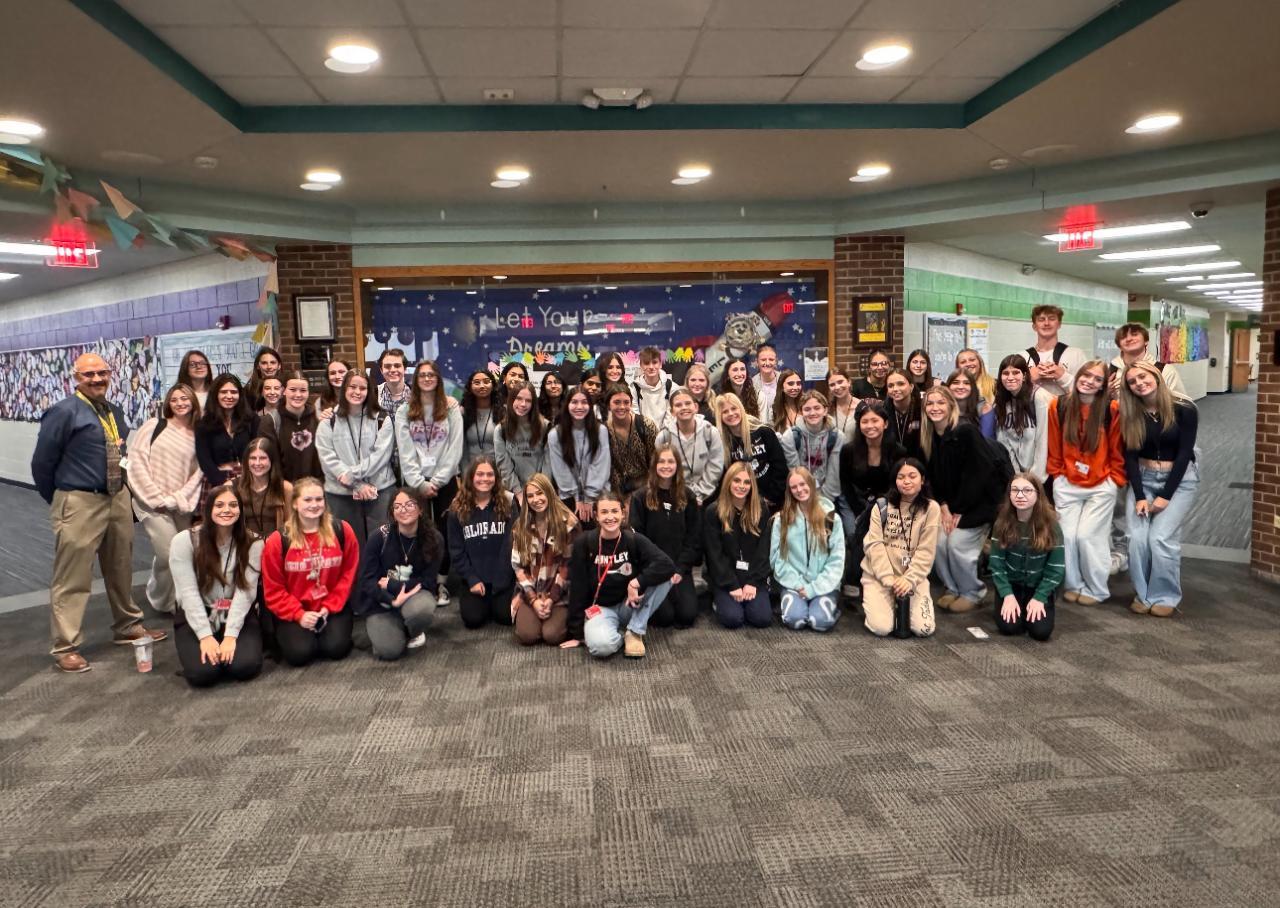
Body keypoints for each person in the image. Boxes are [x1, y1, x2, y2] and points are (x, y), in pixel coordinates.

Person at [32, 352, 166, 673]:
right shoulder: (64, 412)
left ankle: (127, 625)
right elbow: (42, 463)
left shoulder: (113, 410)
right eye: (88, 375)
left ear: (110, 375)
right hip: (80, 500)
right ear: (76, 378)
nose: (96, 379)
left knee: (120, 565)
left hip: (116, 497)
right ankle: (66, 646)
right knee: (73, 575)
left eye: (101, 373)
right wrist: (62, 498)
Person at [1119, 362, 1199, 617]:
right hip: (1143, 478)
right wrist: (1139, 495)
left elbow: (1185, 453)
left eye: (1143, 377)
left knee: (1160, 538)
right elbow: (1130, 456)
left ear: (1155, 376)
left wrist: (1165, 496)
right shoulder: (1131, 412)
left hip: (1178, 480)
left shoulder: (1185, 408)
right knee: (1136, 539)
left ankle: (1165, 595)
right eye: (1132, 381)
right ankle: (1143, 594)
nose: (1139, 383)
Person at [920, 386, 1007, 613]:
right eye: (930, 403)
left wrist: (959, 509)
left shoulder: (965, 431)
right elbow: (934, 479)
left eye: (941, 402)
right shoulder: (930, 436)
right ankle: (953, 588)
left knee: (957, 544)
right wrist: (944, 507)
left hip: (979, 505)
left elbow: (980, 475)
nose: (935, 408)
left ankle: (972, 592)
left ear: (951, 405)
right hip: (953, 506)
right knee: (938, 542)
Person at [1047, 359, 1126, 606]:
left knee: (1088, 537)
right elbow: (1053, 444)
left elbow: (1117, 449)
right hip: (1067, 483)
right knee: (1067, 537)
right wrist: (1057, 474)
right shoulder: (1058, 405)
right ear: (1078, 375)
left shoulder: (1111, 409)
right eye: (1086, 375)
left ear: (1103, 385)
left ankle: (1096, 589)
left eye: (1097, 379)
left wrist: (1115, 480)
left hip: (1100, 485)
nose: (1090, 381)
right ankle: (1074, 584)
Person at [169, 484, 264, 686]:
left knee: (245, 667)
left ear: (240, 510)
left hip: (237, 611)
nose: (226, 510)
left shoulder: (254, 542)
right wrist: (205, 636)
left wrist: (230, 636)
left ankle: (228, 648)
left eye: (233, 505)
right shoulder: (184, 541)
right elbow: (188, 593)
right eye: (219, 505)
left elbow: (246, 592)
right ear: (208, 509)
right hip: (198, 613)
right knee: (203, 674)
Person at [260, 477, 359, 667]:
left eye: (319, 499)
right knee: (300, 654)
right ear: (295, 504)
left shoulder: (342, 530)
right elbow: (273, 589)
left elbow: (349, 576)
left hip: (331, 607)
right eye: (307, 500)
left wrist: (328, 607)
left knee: (336, 649)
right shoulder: (278, 540)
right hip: (294, 610)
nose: (314, 505)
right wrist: (299, 615)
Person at [568, 492, 675, 658]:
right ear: (596, 516)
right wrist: (577, 633)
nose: (610, 517)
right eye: (604, 512)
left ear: (623, 513)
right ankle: (621, 635)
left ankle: (634, 630)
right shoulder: (584, 543)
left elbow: (667, 565)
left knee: (666, 576)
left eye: (614, 511)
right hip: (601, 609)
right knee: (601, 648)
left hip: (630, 604)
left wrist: (636, 583)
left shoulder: (634, 539)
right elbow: (577, 586)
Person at [127, 383, 203, 614]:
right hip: (152, 505)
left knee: (184, 553)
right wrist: (155, 498)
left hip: (180, 505)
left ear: (193, 402)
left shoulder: (198, 434)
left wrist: (178, 498)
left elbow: (198, 473)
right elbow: (136, 462)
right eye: (175, 399)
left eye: (185, 398)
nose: (180, 403)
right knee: (167, 552)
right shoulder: (153, 427)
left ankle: (179, 597)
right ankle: (162, 598)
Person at [396, 359, 463, 605]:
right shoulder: (404, 411)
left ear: (438, 379)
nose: (426, 379)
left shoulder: (450, 408)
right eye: (422, 375)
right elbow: (404, 451)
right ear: (416, 380)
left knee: (445, 532)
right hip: (416, 482)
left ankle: (441, 583)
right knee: (417, 532)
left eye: (431, 375)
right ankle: (423, 583)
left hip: (445, 481)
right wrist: (419, 482)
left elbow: (455, 447)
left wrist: (439, 479)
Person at [355, 488, 441, 660]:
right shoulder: (379, 537)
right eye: (398, 506)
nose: (403, 510)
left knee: (423, 610)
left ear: (420, 509)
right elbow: (367, 580)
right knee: (390, 651)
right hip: (382, 602)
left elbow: (428, 582)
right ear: (392, 513)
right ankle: (390, 630)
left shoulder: (434, 539)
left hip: (413, 596)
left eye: (409, 504)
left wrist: (393, 585)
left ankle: (411, 629)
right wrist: (391, 600)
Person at [860, 458, 941, 638]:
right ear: (894, 481)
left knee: (924, 629)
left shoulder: (931, 508)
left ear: (922, 480)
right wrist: (888, 578)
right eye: (901, 477)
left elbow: (926, 551)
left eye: (912, 476)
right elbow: (874, 545)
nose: (906, 481)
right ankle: (874, 599)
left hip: (913, 577)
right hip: (879, 576)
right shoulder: (881, 506)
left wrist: (909, 579)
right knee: (882, 628)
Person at [315, 371, 396, 545]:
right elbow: (327, 458)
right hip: (341, 494)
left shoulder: (383, 418)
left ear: (369, 391)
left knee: (383, 543)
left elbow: (381, 455)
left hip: (379, 490)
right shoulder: (328, 421)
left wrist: (351, 476)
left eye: (362, 388)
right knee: (347, 545)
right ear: (344, 388)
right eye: (352, 387)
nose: (357, 392)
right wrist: (357, 485)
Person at [629, 445, 701, 629]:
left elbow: (693, 539)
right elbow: (638, 541)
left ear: (677, 465)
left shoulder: (688, 496)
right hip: (653, 569)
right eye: (661, 461)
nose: (666, 466)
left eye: (671, 461)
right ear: (654, 465)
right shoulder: (640, 497)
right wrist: (656, 571)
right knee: (664, 618)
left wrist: (680, 569)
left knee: (687, 616)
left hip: (679, 568)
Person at [839, 400, 908, 591]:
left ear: (885, 424)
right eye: (865, 421)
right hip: (856, 504)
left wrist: (876, 511)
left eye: (875, 421)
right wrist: (859, 510)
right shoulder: (848, 450)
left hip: (888, 505)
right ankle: (859, 579)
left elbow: (898, 485)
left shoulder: (898, 451)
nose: (870, 426)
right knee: (856, 533)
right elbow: (845, 484)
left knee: (878, 534)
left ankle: (864, 579)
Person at [990, 473, 1064, 642]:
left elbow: (1056, 569)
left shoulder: (1051, 525)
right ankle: (1013, 603)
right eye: (1015, 490)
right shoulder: (1002, 523)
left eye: (1027, 490)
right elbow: (996, 564)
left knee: (1040, 632)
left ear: (1038, 495)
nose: (1020, 495)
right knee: (1009, 627)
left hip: (1038, 585)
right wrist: (1007, 595)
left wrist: (1040, 597)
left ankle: (1032, 605)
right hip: (1012, 584)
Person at [772, 467, 845, 632]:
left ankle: (829, 607)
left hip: (824, 584)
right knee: (795, 621)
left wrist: (813, 588)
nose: (799, 490)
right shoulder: (781, 520)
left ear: (811, 484)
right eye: (794, 487)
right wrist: (797, 584)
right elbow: (776, 558)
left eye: (802, 484)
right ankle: (793, 605)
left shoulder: (832, 519)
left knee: (819, 622)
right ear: (789, 491)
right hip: (793, 584)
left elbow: (837, 560)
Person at [446, 456, 515, 629]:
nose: (485, 479)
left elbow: (511, 545)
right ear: (471, 477)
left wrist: (502, 579)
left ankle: (497, 601)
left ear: (496, 478)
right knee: (473, 619)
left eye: (490, 474)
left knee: (506, 617)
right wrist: (471, 579)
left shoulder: (508, 503)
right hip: (475, 579)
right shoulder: (456, 508)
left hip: (502, 577)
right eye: (480, 474)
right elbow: (456, 551)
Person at [510, 473, 579, 646]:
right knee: (527, 635)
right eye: (530, 496)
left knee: (552, 635)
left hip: (560, 592)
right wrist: (533, 600)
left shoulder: (568, 523)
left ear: (549, 493)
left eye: (540, 493)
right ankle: (534, 612)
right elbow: (518, 567)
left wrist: (551, 598)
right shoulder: (520, 526)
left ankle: (559, 616)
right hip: (531, 591)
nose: (536, 499)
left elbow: (568, 566)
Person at [704, 462, 773, 629]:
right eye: (736, 480)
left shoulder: (761, 510)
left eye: (747, 482)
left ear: (752, 485)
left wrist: (753, 583)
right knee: (733, 619)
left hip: (753, 576)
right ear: (728, 482)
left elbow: (764, 550)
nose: (741, 486)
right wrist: (732, 585)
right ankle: (718, 600)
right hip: (726, 578)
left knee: (761, 618)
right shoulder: (714, 511)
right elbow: (714, 555)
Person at [547, 385, 610, 525]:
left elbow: (601, 465)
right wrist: (577, 498)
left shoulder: (601, 431)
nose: (579, 407)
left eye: (584, 402)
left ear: (590, 406)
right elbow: (561, 470)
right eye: (574, 402)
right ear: (567, 405)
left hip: (598, 494)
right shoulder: (555, 435)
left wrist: (589, 498)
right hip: (569, 496)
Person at [716, 391, 787, 509]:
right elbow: (725, 476)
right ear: (720, 417)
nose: (731, 413)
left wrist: (771, 497)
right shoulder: (722, 442)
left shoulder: (764, 432)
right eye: (725, 411)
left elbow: (780, 467)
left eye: (734, 408)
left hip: (771, 501)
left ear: (741, 409)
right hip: (741, 502)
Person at [655, 388, 724, 507]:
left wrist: (699, 494)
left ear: (696, 407)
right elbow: (662, 469)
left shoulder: (711, 432)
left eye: (688, 403)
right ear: (672, 411)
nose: (684, 407)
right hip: (675, 497)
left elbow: (715, 466)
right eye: (678, 405)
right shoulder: (664, 437)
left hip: (707, 498)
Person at [994, 355, 1051, 480]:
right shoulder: (1001, 402)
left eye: (1016, 372)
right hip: (1018, 476)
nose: (1010, 377)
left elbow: (1043, 439)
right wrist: (1016, 475)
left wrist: (1035, 478)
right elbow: (1004, 442)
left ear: (1024, 375)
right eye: (1005, 373)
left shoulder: (1038, 397)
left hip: (1041, 475)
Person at [195, 373, 256, 488]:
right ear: (215, 395)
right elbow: (205, 461)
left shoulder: (252, 420)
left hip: (250, 479)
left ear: (240, 395)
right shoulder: (204, 425)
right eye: (223, 392)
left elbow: (259, 451)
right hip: (217, 481)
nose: (229, 396)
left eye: (233, 392)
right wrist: (223, 483)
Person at [494, 380, 548, 501]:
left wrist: (538, 491)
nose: (523, 404)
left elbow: (548, 463)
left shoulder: (545, 427)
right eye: (518, 399)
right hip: (513, 493)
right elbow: (504, 465)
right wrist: (518, 493)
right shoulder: (501, 429)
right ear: (511, 400)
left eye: (528, 400)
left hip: (541, 492)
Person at [1108, 322, 1189, 401]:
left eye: (1134, 334)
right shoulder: (1109, 370)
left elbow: (1184, 404)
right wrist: (1105, 394)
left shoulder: (1165, 370)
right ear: (1119, 345)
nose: (1129, 339)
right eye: (1123, 337)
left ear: (1146, 341)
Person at [1021, 305, 1086, 398]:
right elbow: (1011, 393)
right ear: (1034, 326)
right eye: (1041, 319)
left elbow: (1086, 392)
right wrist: (1029, 379)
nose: (1046, 323)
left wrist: (1062, 376)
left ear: (1059, 324)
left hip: (1065, 407)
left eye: (1052, 319)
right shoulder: (1023, 357)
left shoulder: (1076, 355)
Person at [605, 383, 657, 497]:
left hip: (645, 487)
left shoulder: (646, 425)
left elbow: (656, 461)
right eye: (617, 402)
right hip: (616, 491)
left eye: (626, 402)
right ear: (608, 405)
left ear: (631, 403)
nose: (622, 407)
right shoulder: (604, 430)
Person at [235, 437, 292, 538]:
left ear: (272, 460)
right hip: (243, 544)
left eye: (262, 458)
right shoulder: (233, 487)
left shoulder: (286, 488)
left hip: (275, 544)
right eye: (253, 458)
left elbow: (290, 525)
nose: (257, 463)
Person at [273, 371, 323, 482]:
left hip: (315, 487)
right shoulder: (272, 421)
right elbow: (272, 461)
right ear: (283, 391)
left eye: (303, 390)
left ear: (308, 392)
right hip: (285, 488)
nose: (298, 395)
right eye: (293, 390)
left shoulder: (318, 418)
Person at [461, 370, 501, 468]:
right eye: (477, 383)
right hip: (470, 471)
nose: (482, 386)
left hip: (496, 471)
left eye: (486, 382)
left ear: (493, 385)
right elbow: (461, 448)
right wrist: (465, 474)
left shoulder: (503, 412)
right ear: (470, 387)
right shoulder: (463, 413)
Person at [945, 370, 995, 439]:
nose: (961, 387)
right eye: (955, 383)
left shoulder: (984, 408)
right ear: (948, 387)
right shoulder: (941, 407)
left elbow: (987, 441)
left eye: (966, 383)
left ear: (973, 387)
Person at [633, 346, 676, 425]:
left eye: (654, 362)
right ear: (641, 366)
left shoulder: (671, 387)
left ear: (660, 364)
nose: (651, 367)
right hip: (642, 431)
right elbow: (635, 415)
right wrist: (647, 431)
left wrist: (663, 432)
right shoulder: (634, 388)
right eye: (647, 363)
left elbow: (671, 415)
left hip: (666, 431)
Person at [884, 369, 922, 456]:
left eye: (900, 384)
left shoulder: (923, 410)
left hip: (918, 460)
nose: (895, 389)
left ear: (911, 387)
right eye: (890, 386)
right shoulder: (883, 412)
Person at [719, 357, 761, 422]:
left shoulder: (759, 395)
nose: (739, 374)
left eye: (742, 369)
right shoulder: (721, 398)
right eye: (735, 370)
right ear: (727, 375)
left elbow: (763, 424)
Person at [243, 346, 282, 412]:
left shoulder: (287, 386)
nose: (269, 367)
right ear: (258, 366)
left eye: (273, 363)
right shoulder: (249, 389)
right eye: (264, 363)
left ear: (279, 366)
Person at [376, 348, 413, 416]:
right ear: (381, 370)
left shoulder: (415, 394)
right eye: (387, 366)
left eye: (397, 366)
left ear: (404, 369)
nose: (393, 370)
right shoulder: (373, 395)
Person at [826, 368, 858, 443]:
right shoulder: (827, 409)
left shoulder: (861, 407)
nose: (837, 387)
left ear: (849, 382)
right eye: (832, 385)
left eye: (840, 382)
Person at [751, 344, 780, 420]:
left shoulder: (784, 380)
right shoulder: (751, 384)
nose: (767, 363)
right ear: (757, 362)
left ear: (776, 361)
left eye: (771, 359)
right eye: (763, 360)